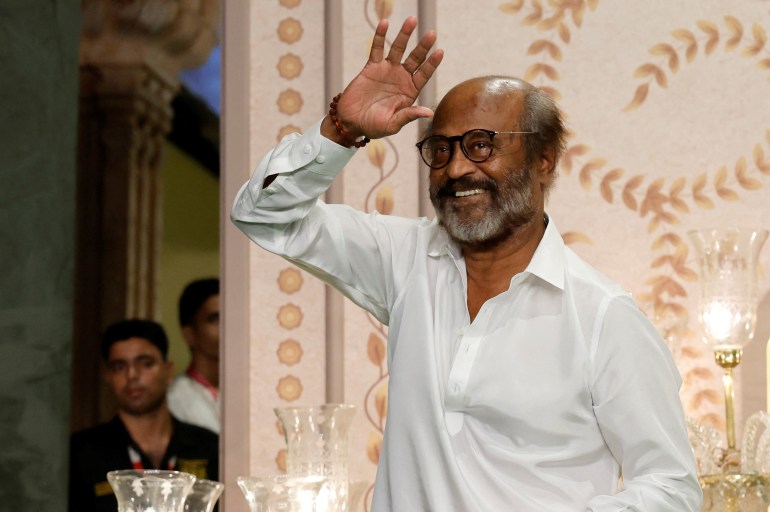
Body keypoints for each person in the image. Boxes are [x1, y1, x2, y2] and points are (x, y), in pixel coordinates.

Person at [230, 16, 702, 512]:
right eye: (441, 149)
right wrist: (341, 130)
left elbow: (671, 490)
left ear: (544, 160)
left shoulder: (605, 317)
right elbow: (263, 216)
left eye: (481, 145)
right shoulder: (406, 258)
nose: (456, 169)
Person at [69, 319, 219, 512]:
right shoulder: (82, 452)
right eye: (119, 367)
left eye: (146, 364)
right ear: (108, 377)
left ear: (168, 370)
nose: (132, 375)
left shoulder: (207, 445)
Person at [167, 278, 221, 433]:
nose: (227, 326)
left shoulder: (248, 391)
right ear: (189, 334)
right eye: (215, 319)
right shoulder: (176, 400)